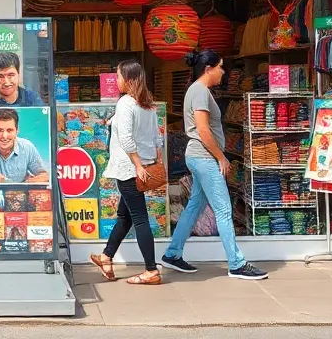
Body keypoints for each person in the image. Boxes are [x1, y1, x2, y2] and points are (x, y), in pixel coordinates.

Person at [161, 49, 267, 280]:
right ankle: (237, 263)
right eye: (220, 66)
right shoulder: (199, 92)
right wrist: (221, 157)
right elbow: (203, 129)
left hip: (200, 156)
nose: (223, 71)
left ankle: (172, 253)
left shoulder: (198, 91)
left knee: (195, 206)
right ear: (208, 69)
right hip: (205, 157)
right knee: (223, 209)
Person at [91, 60, 163, 285]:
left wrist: (138, 166)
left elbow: (126, 139)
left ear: (129, 79)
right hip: (142, 167)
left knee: (140, 219)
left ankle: (151, 270)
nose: (116, 80)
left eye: (119, 76)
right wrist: (156, 161)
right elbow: (156, 137)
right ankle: (106, 256)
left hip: (129, 170)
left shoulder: (126, 103)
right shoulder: (147, 104)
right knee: (126, 216)